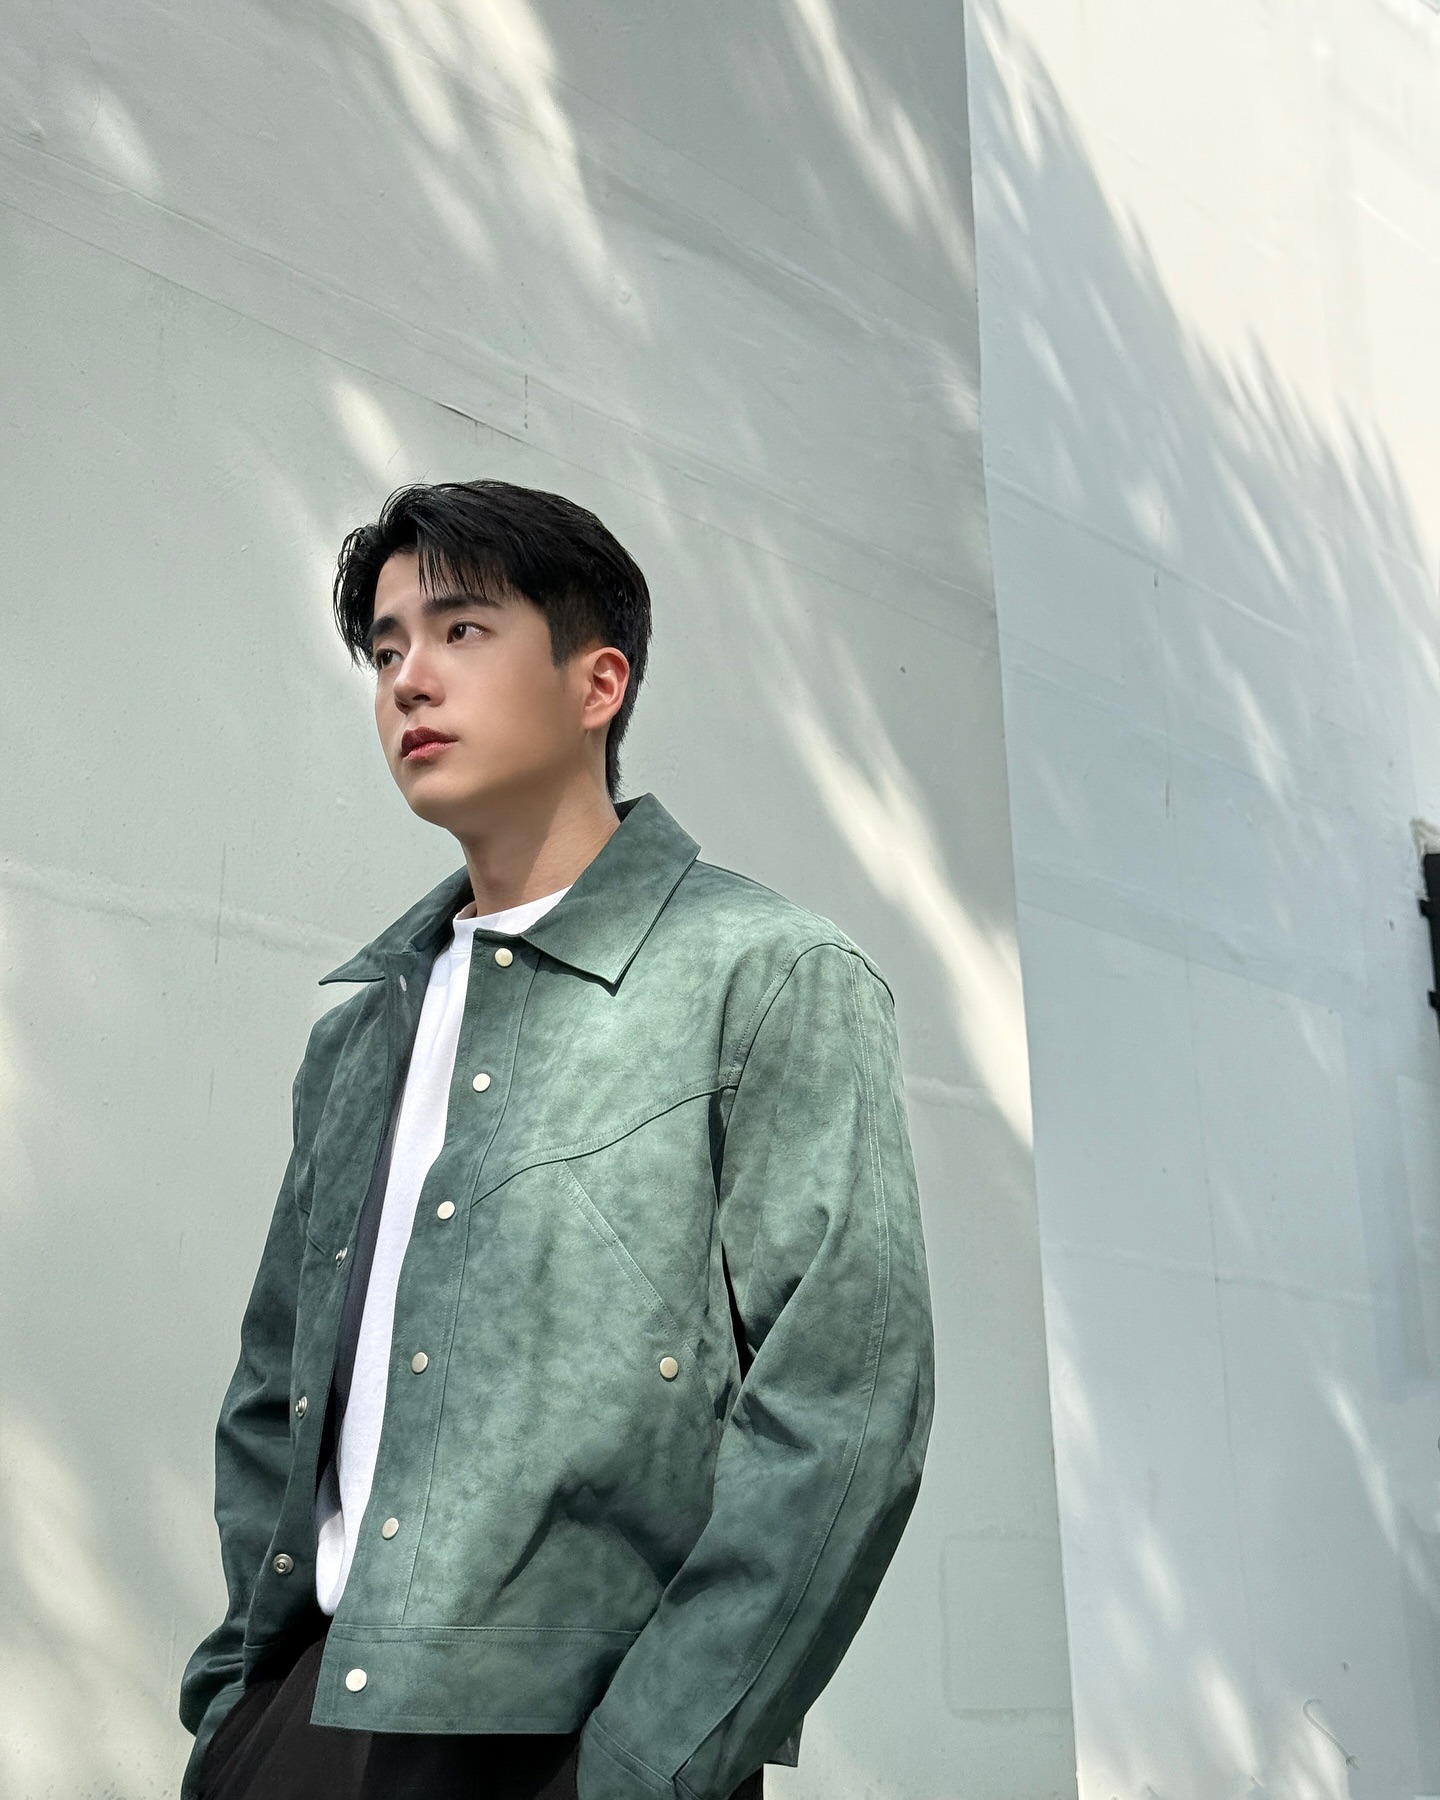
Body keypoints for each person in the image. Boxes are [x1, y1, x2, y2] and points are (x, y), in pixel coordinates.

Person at [178, 480, 935, 1800]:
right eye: (386, 650)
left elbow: (842, 1415)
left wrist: (647, 1762)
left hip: (572, 1745)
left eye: (461, 631)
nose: (409, 681)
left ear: (598, 683)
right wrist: (238, 1707)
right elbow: (272, 1397)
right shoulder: (361, 1035)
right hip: (309, 1720)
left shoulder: (765, 977)